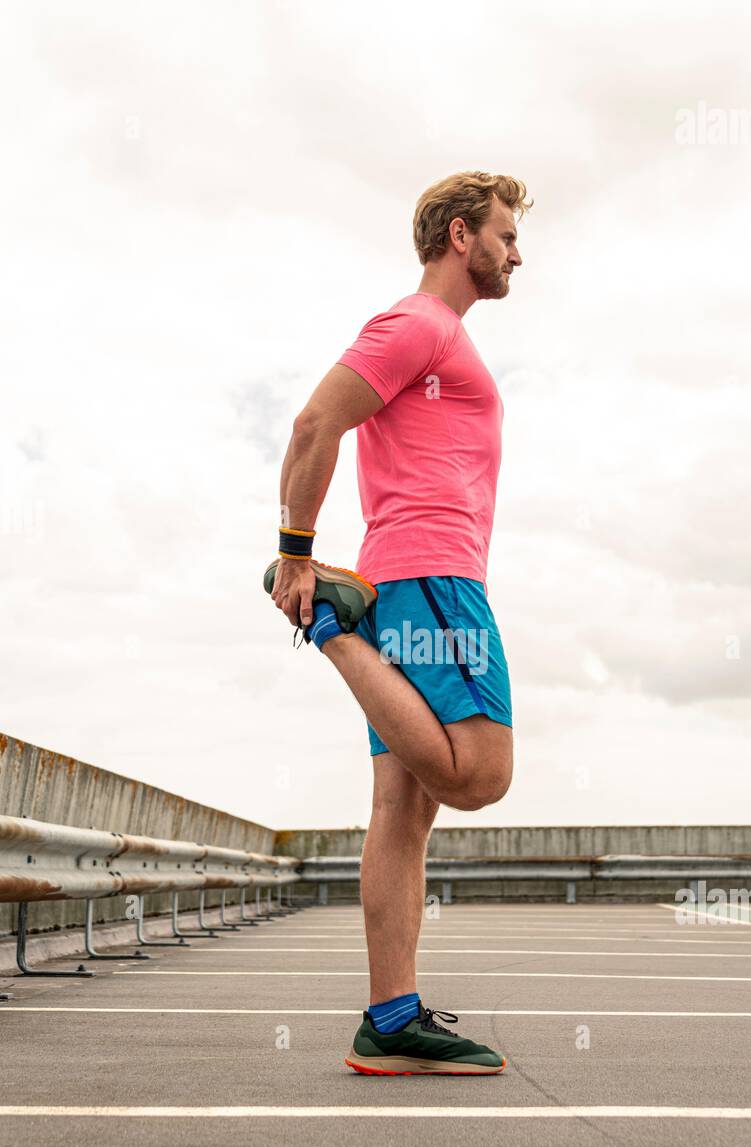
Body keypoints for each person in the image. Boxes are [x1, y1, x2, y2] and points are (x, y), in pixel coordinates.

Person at [269, 171, 531, 1074]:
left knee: (401, 808)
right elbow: (315, 423)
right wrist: (299, 555)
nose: (515, 252)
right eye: (503, 234)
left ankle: (391, 1018)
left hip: (407, 573)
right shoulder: (417, 324)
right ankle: (334, 626)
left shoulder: (439, 337)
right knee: (480, 775)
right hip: (430, 576)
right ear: (460, 235)